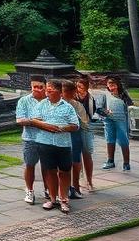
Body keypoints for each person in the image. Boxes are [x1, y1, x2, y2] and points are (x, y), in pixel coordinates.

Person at [31, 81, 80, 213]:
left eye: (50, 90)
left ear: (59, 91)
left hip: (63, 144)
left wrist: (62, 128)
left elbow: (75, 125)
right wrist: (47, 126)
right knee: (50, 171)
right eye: (47, 90)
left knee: (64, 171)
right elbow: (34, 120)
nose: (47, 92)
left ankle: (64, 199)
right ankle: (53, 199)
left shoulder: (68, 107)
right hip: (45, 142)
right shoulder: (41, 104)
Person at [15, 78, 48, 204]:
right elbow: (19, 120)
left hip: (47, 138)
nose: (38, 89)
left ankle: (48, 189)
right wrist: (36, 121)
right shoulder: (24, 100)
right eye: (35, 87)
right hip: (30, 138)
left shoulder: (49, 100)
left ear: (45, 87)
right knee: (30, 165)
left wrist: (32, 121)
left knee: (48, 166)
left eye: (41, 87)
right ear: (31, 87)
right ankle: (29, 190)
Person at [61, 80, 89, 198]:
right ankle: (62, 189)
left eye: (68, 92)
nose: (64, 94)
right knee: (61, 163)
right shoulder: (56, 104)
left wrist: (75, 119)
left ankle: (75, 186)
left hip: (75, 136)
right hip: (60, 137)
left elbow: (84, 123)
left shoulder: (77, 105)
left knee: (75, 162)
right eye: (64, 91)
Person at [101, 77, 133, 171]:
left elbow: (130, 105)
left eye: (113, 84)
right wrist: (105, 111)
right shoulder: (105, 95)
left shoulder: (123, 94)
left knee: (123, 139)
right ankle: (110, 160)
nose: (111, 86)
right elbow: (99, 107)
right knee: (109, 139)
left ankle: (126, 163)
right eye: (109, 84)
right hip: (108, 120)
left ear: (117, 85)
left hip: (121, 120)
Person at [73, 78, 96, 193]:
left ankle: (89, 181)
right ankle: (79, 180)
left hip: (86, 127)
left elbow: (92, 114)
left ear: (86, 88)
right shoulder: (73, 97)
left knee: (87, 153)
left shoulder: (90, 99)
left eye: (81, 87)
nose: (79, 89)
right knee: (76, 155)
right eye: (77, 87)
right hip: (75, 127)